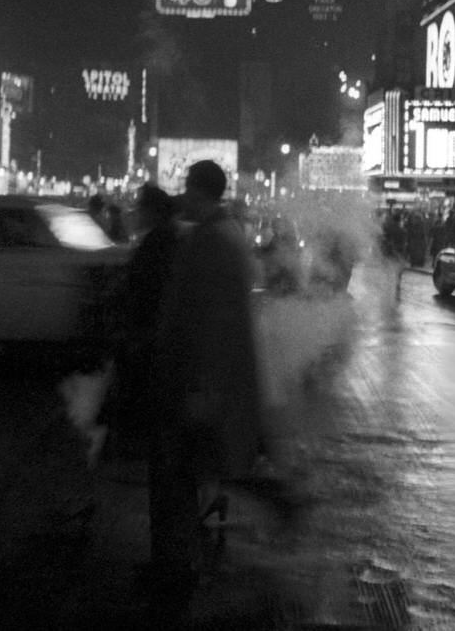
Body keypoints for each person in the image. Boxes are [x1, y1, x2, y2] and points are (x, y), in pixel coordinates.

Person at [144, 160, 266, 614]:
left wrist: (200, 386)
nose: (184, 198)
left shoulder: (212, 239)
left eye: (188, 190)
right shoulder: (225, 234)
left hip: (195, 383)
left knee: (179, 479)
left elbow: (209, 321)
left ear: (199, 192)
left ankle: (176, 576)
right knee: (196, 475)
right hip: (204, 381)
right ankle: (178, 568)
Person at [115, 184, 177, 454]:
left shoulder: (158, 243)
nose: (135, 214)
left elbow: (148, 290)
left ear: (152, 212)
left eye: (140, 208)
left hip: (150, 331)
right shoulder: (165, 239)